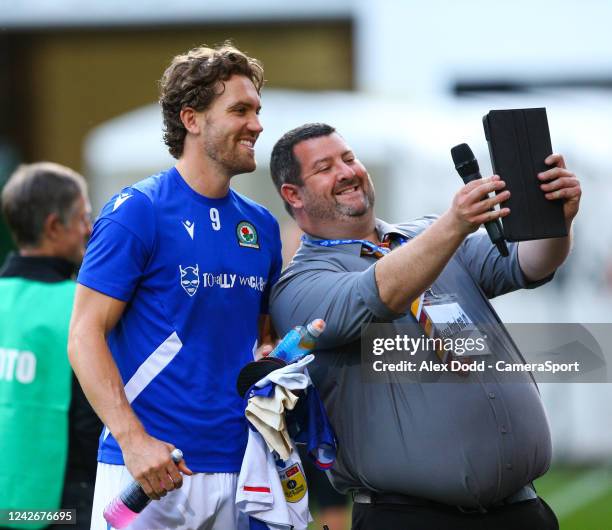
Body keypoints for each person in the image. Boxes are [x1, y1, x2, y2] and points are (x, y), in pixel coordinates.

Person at [268, 123, 582, 530]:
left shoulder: (426, 233)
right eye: (324, 167)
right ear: (293, 194)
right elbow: (377, 293)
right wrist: (453, 224)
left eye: (348, 158)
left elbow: (528, 264)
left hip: (521, 510)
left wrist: (554, 219)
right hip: (409, 517)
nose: (346, 171)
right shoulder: (299, 284)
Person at [68, 44, 282, 530]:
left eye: (257, 110)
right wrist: (133, 441)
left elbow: (259, 335)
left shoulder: (263, 227)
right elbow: (84, 335)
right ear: (192, 118)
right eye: (240, 110)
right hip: (149, 468)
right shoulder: (137, 210)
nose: (257, 124)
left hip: (241, 468)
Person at [0, 162, 100, 530]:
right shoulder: (81, 305)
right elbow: (92, 418)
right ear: (54, 226)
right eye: (83, 218)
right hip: (59, 507)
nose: (89, 230)